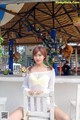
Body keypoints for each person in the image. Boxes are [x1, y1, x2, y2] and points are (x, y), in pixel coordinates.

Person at [9, 46, 69, 120]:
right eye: (35, 55)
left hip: (47, 105)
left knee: (65, 118)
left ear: (44, 56)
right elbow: (24, 86)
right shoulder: (29, 69)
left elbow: (51, 89)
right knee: (10, 118)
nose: (37, 58)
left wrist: (43, 91)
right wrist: (29, 91)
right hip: (29, 105)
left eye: (39, 55)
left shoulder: (50, 70)